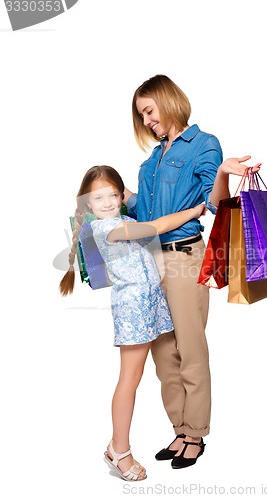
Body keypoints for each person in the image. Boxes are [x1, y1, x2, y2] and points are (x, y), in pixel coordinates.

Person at [124, 74, 261, 469]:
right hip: (149, 261)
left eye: (149, 111)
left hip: (184, 258)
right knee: (163, 354)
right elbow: (147, 215)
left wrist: (222, 175)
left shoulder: (204, 144)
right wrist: (113, 194)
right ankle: (179, 428)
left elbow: (214, 205)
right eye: (142, 116)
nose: (147, 121)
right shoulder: (152, 159)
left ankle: (196, 433)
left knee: (190, 348)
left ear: (167, 101)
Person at [59, 165, 206, 481]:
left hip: (149, 304)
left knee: (152, 369)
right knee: (130, 378)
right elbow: (156, 226)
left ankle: (169, 435)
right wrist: (194, 210)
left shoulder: (123, 219)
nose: (108, 202)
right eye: (99, 198)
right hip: (134, 310)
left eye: (113, 194)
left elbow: (142, 212)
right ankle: (119, 449)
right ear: (87, 204)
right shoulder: (107, 229)